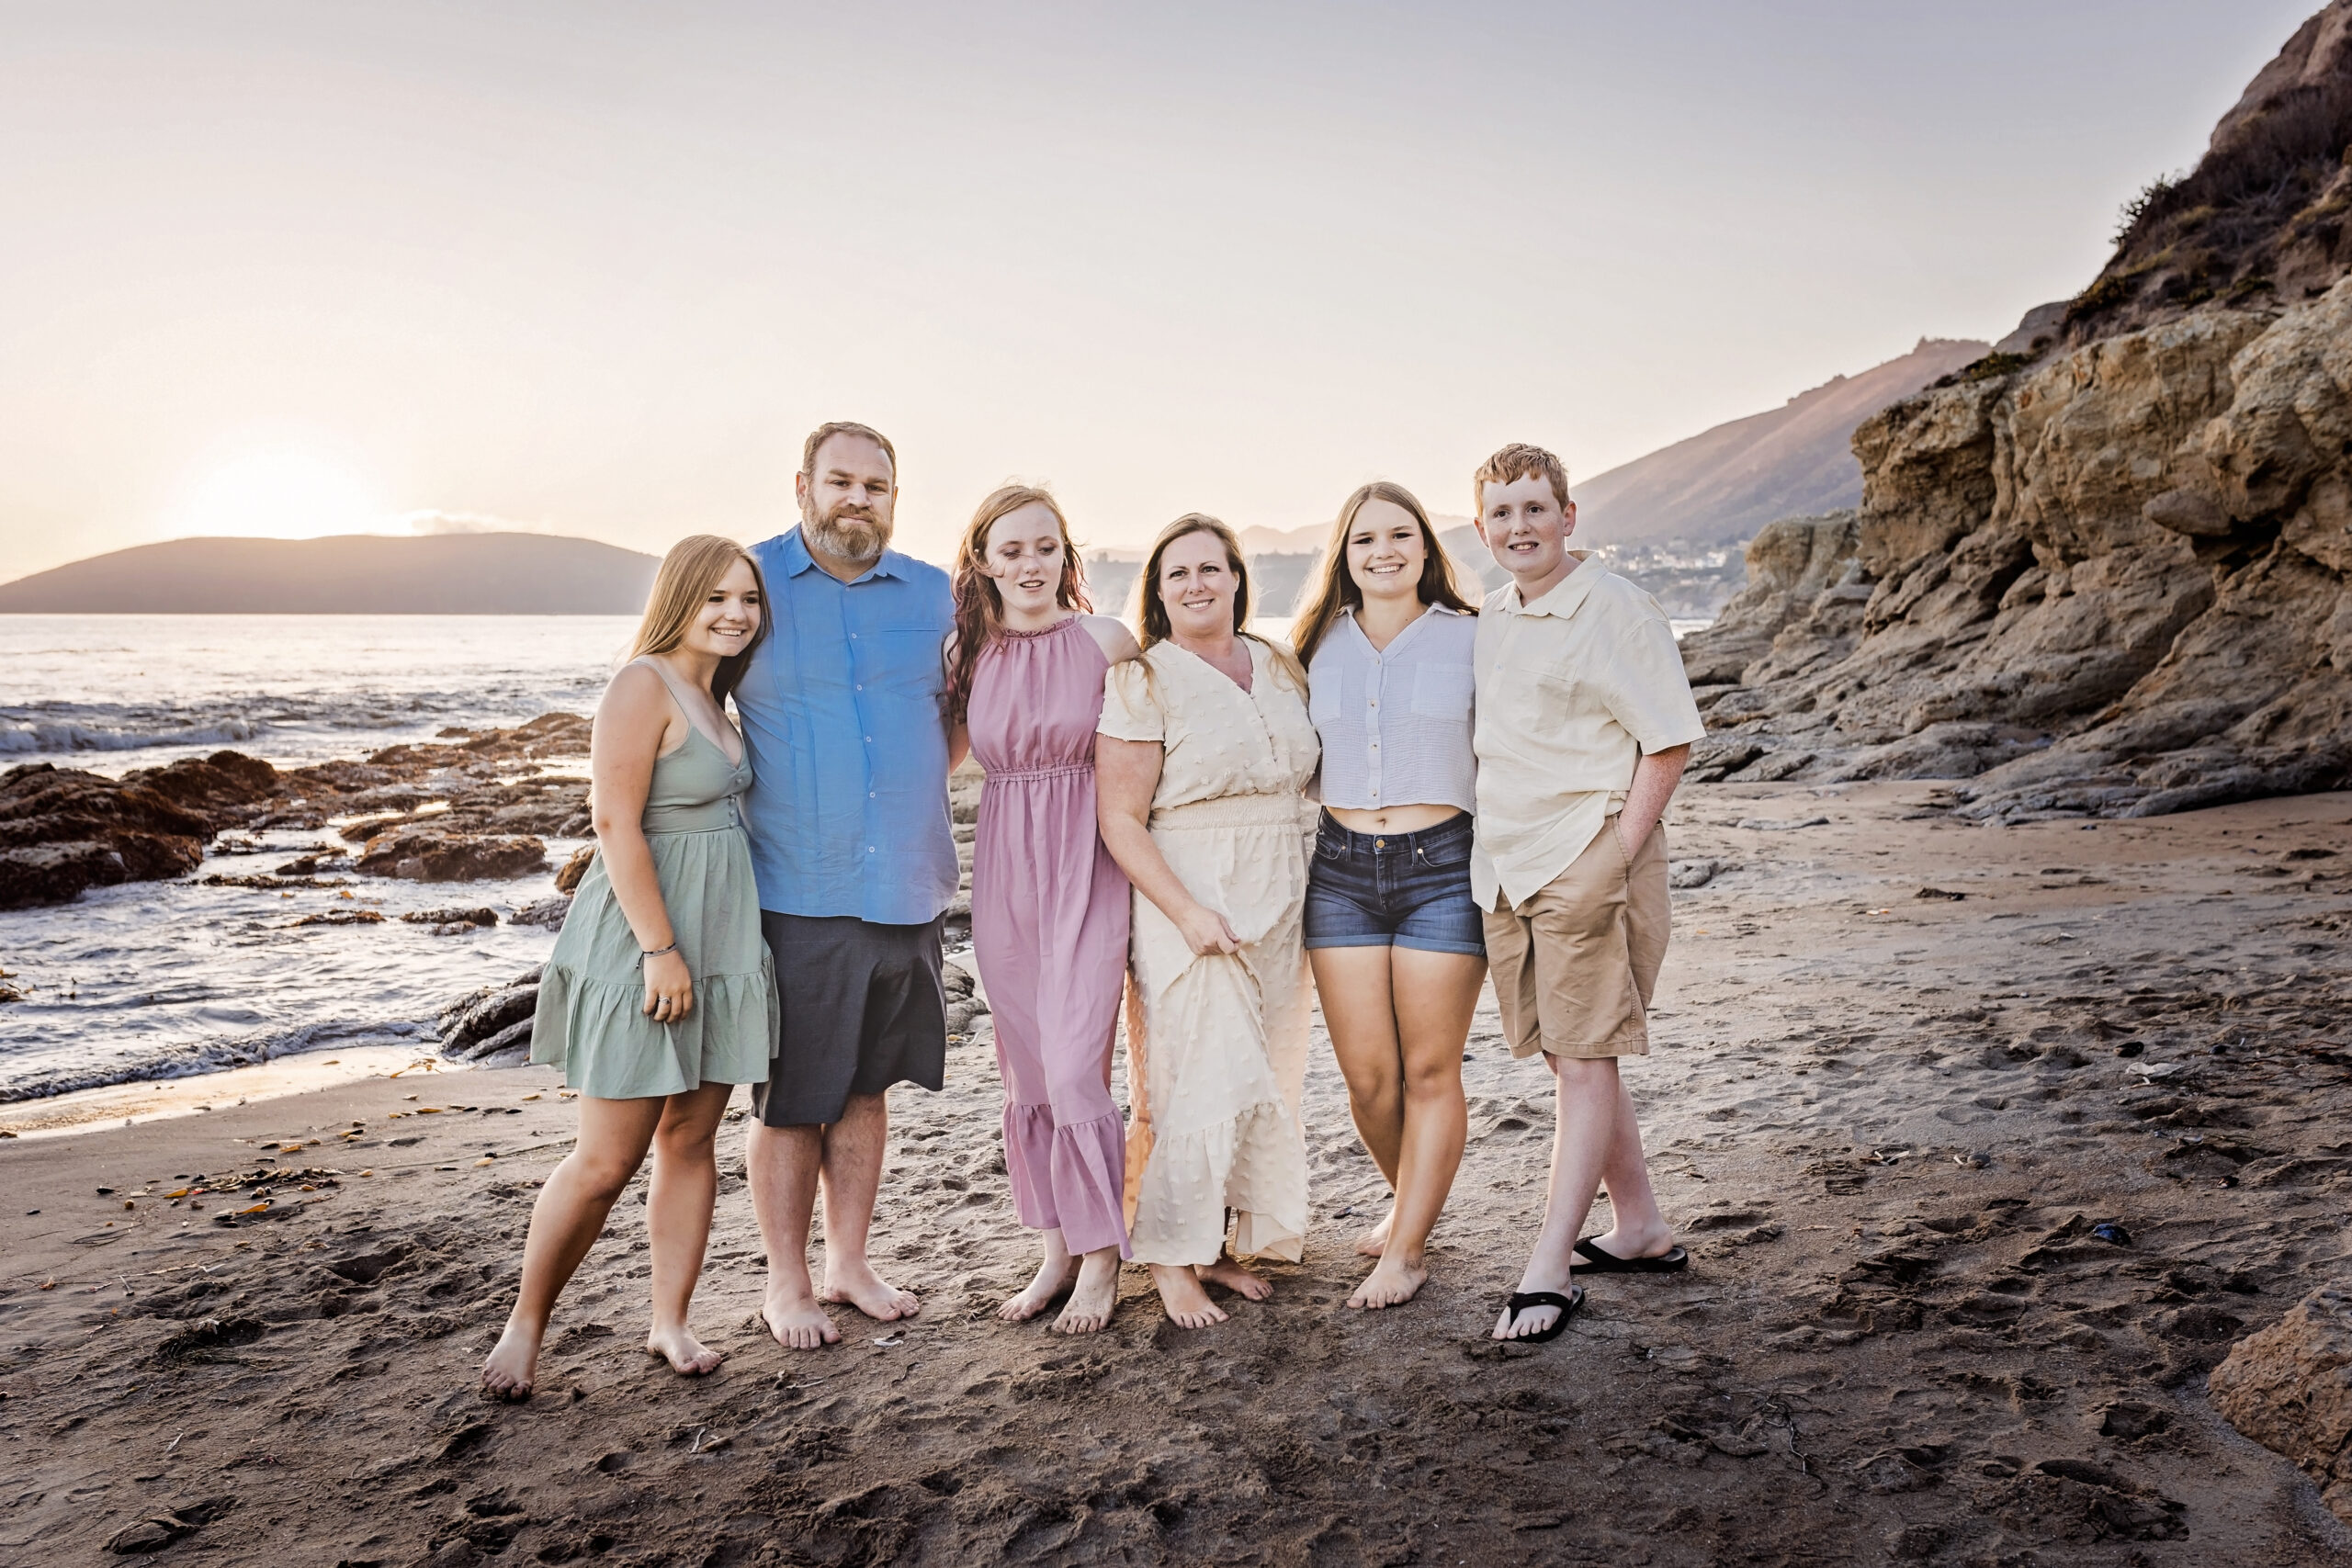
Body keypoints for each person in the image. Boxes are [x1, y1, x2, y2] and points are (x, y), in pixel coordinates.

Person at [481, 536, 779, 1400]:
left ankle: (670, 1321)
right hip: (649, 941)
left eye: (749, 600)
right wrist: (659, 949)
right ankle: (525, 1323)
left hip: (721, 940)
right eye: (717, 597)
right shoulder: (640, 683)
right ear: (679, 596)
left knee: (690, 1139)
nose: (734, 613)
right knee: (605, 1161)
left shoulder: (719, 694)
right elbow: (614, 822)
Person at [1469, 443, 1705, 1345]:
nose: (1519, 527)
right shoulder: (1493, 616)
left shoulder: (1614, 608)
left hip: (1585, 855)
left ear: (1569, 516)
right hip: (1509, 862)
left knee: (1581, 1062)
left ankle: (1546, 1267)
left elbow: (1669, 741)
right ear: (1484, 525)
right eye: (1501, 512)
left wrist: (1615, 852)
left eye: (1535, 508)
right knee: (1578, 1054)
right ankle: (1639, 1226)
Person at [733, 421, 959, 1350]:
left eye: (875, 486)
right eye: (839, 482)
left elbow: (966, 711)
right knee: (792, 1097)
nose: (856, 500)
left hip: (905, 883)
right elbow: (677, 685)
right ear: (802, 486)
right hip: (794, 887)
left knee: (867, 1089)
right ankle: (786, 1282)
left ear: (894, 498)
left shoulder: (937, 595)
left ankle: (848, 1263)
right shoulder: (748, 584)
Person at [1095, 514, 1320, 1329]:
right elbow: (1119, 818)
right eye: (1177, 572)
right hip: (1187, 894)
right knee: (1199, 1074)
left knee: (1260, 1072)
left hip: (1280, 891)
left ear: (1235, 578)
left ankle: (1214, 1244)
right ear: (1157, 590)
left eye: (1210, 569)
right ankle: (1166, 1258)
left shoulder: (1279, 663)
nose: (1196, 584)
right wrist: (1187, 911)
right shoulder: (1142, 680)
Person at [946, 484, 1141, 1336]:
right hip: (1003, 874)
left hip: (1090, 862)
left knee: (1073, 1071)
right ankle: (1058, 1247)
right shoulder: (967, 651)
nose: (1031, 564)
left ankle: (1103, 1258)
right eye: (1013, 549)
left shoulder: (1108, 640)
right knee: (1028, 1072)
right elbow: (938, 758)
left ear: (1069, 555)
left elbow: (1158, 750)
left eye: (1045, 547)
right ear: (984, 560)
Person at [1289, 481, 1484, 1310]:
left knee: (1431, 1068)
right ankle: (1412, 1200)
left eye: (1400, 534)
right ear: (1344, 554)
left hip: (1444, 865)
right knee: (1369, 1080)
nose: (1383, 551)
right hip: (1338, 870)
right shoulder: (1309, 646)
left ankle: (1406, 1248)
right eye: (1364, 539)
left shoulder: (1476, 637)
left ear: (1426, 546)